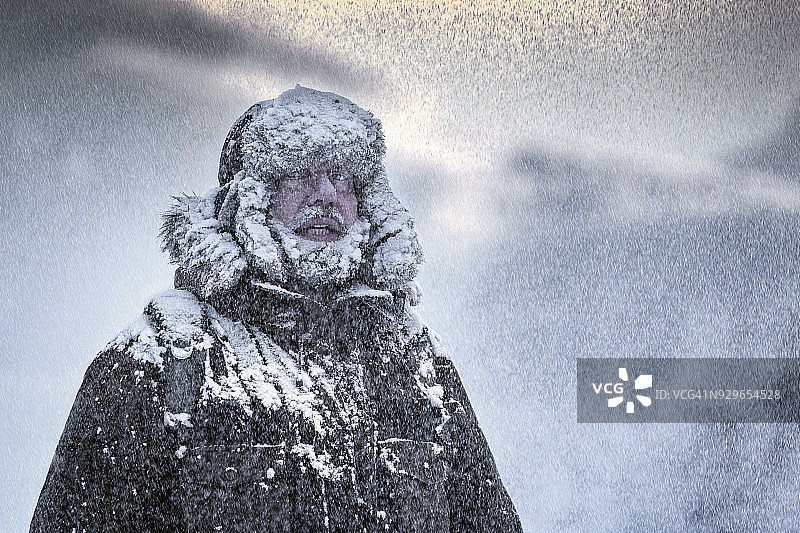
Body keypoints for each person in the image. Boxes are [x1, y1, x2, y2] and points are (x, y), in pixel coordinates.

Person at [31, 86, 522, 532]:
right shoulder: (159, 360)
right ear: (250, 199)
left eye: (343, 177)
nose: (325, 195)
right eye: (297, 173)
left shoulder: (415, 364)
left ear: (367, 202)